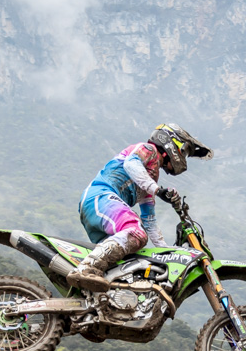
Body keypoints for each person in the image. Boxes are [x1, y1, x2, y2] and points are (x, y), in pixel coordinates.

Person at [67, 124, 212, 291]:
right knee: (135, 231)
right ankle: (86, 269)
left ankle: (94, 296)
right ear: (171, 142)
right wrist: (157, 190)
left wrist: (167, 251)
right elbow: (131, 165)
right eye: (184, 151)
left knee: (121, 264)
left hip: (99, 207)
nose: (183, 156)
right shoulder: (148, 150)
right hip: (100, 197)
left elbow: (149, 220)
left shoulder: (150, 176)